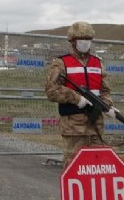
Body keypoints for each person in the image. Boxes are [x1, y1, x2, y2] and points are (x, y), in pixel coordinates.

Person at [44, 21, 117, 166]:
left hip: (95, 126)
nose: (85, 42)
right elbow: (51, 90)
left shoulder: (97, 63)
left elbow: (105, 90)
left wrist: (107, 105)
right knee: (74, 168)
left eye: (88, 39)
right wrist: (77, 99)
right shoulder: (61, 63)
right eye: (81, 39)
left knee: (97, 168)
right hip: (73, 127)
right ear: (72, 41)